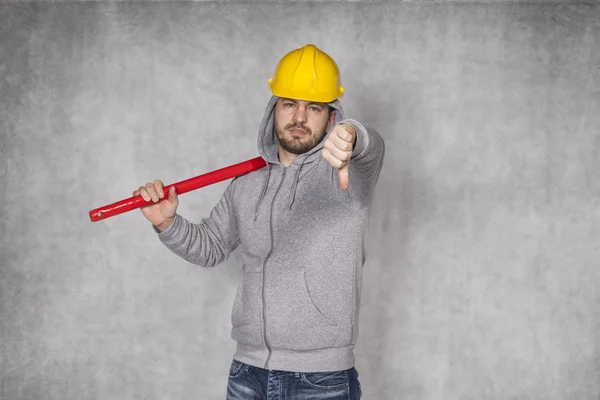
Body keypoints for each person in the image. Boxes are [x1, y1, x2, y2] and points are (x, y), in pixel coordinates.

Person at [133, 44, 385, 399]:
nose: (299, 117)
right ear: (274, 109)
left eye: (313, 107)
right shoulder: (247, 183)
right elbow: (210, 247)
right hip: (247, 375)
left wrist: (352, 136)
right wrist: (167, 224)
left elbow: (370, 147)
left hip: (321, 381)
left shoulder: (347, 175)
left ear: (331, 118)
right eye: (289, 103)